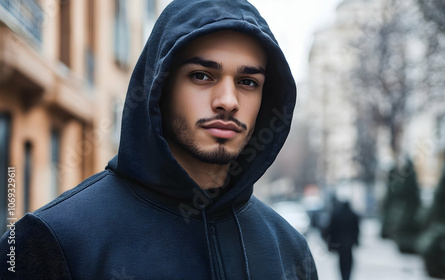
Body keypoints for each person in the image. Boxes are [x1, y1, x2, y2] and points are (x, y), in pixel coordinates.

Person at [0, 0, 318, 279]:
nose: (227, 100)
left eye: (247, 81)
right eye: (202, 75)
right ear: (160, 86)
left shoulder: (289, 248)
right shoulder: (51, 240)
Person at [325, 201, 360, 280]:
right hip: (349, 244)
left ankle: (344, 277)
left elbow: (330, 230)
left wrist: (330, 244)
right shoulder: (353, 215)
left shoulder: (336, 215)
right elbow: (356, 230)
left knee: (342, 263)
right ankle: (347, 277)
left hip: (340, 244)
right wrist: (356, 241)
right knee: (349, 262)